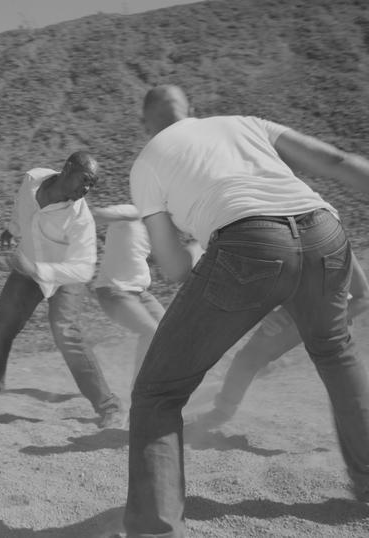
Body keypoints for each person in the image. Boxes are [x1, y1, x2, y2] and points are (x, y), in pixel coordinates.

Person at [120, 84, 369, 538]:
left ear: (145, 123)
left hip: (248, 243)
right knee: (335, 353)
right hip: (326, 235)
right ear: (191, 110)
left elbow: (174, 266)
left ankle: (155, 530)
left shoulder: (148, 161)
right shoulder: (245, 124)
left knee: (157, 393)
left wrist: (213, 254)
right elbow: (335, 162)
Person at [0, 151, 125, 429]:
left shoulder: (80, 218)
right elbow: (21, 206)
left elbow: (84, 268)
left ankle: (108, 405)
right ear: (67, 169)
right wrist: (12, 229)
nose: (86, 189)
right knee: (1, 327)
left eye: (92, 185)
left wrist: (41, 271)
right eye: (84, 180)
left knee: (65, 331)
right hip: (28, 265)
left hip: (65, 274)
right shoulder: (32, 179)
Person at [191, 255, 369, 429]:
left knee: (340, 374)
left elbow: (363, 298)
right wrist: (264, 312)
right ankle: (223, 411)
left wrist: (326, 320)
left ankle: (360, 426)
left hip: (332, 316)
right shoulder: (277, 239)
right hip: (291, 313)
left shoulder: (334, 241)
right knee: (248, 358)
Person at [91, 204, 165, 391]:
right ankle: (139, 389)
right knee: (151, 332)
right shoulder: (133, 211)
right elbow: (96, 215)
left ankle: (165, 384)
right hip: (114, 290)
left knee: (169, 332)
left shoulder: (154, 228)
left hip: (140, 293)